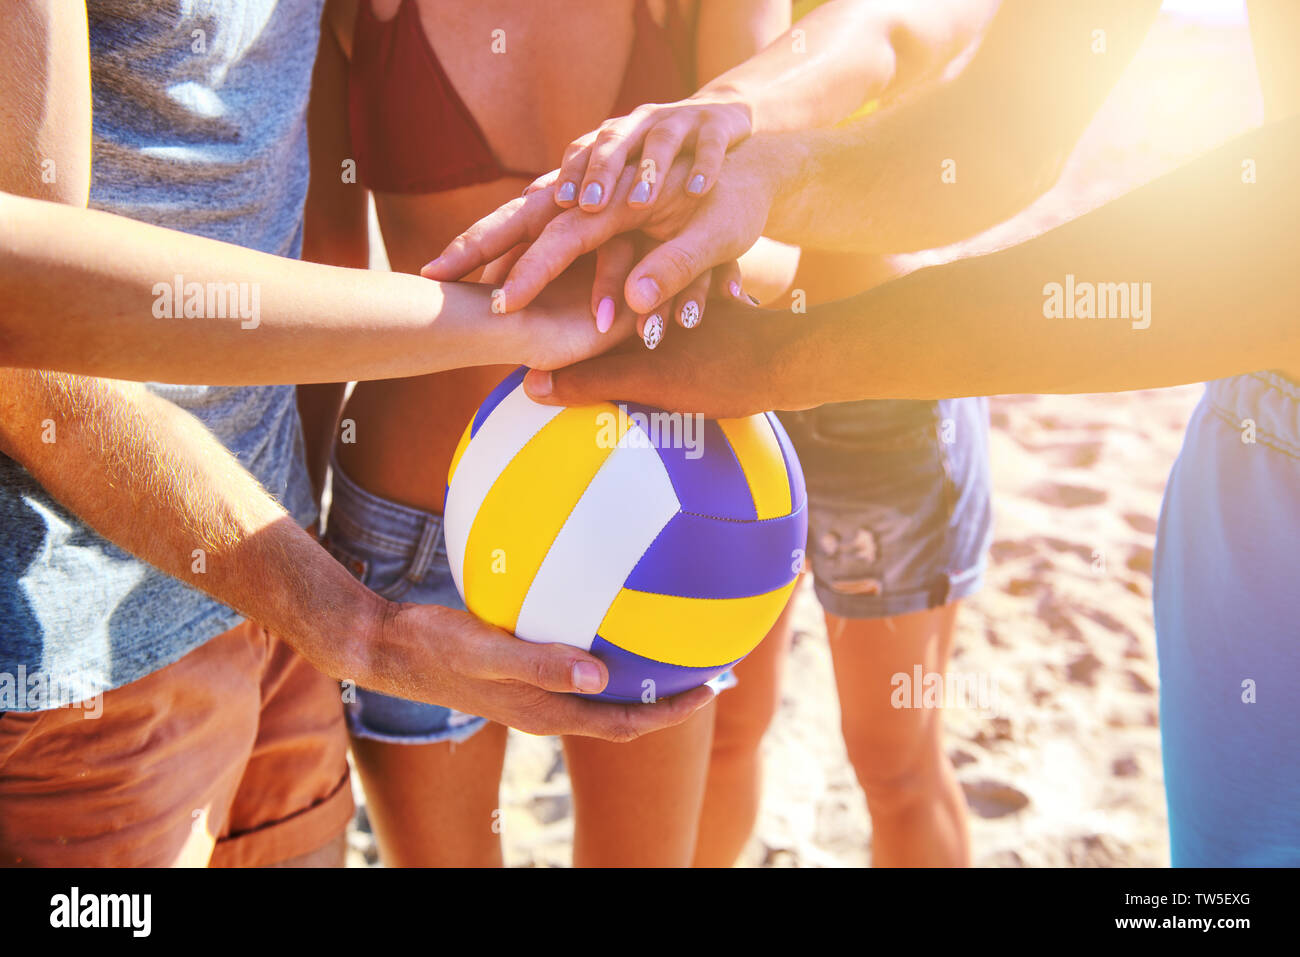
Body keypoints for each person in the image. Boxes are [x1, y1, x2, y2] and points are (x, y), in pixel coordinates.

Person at [428, 0, 1300, 865]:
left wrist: (780, 350)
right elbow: (1008, 123)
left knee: (895, 761)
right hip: (1258, 449)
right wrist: (742, 159)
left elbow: (1278, 255)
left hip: (875, 400)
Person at [0, 0, 710, 869]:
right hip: (122, 622)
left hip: (286, 567)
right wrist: (516, 318)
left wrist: (310, 567)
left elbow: (306, 234)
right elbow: (23, 312)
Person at [298, 0, 790, 867]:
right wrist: (290, 540)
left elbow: (780, 238)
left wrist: (629, 261)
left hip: (657, 524)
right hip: (413, 531)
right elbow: (319, 277)